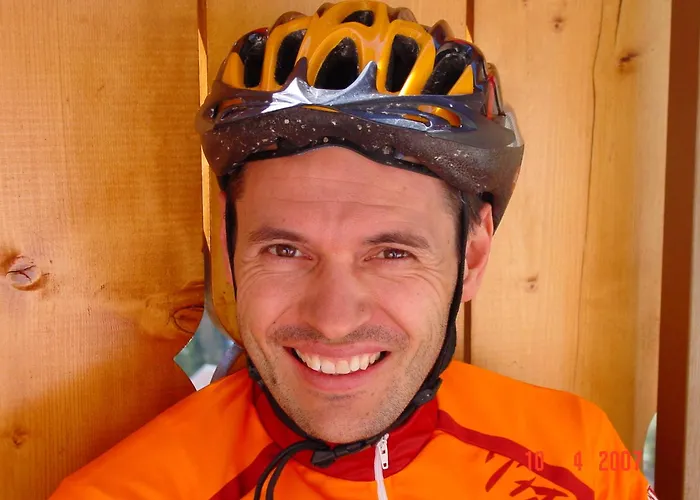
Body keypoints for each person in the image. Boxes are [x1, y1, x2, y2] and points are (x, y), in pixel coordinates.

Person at [52, 1, 657, 499]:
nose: (334, 321)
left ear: (472, 257)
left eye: (391, 253)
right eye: (285, 250)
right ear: (232, 254)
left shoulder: (575, 457)